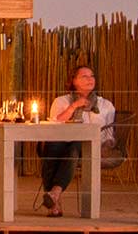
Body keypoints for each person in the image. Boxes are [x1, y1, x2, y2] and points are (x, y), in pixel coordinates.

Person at [38, 63, 116, 215]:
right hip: (63, 143)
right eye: (84, 76)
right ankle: (55, 200)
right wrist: (73, 107)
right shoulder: (61, 101)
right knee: (53, 146)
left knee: (75, 146)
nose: (90, 79)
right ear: (73, 81)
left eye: (92, 76)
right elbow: (54, 125)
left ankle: (54, 195)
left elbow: (109, 134)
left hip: (92, 145)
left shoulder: (105, 105)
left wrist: (105, 147)